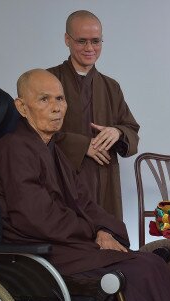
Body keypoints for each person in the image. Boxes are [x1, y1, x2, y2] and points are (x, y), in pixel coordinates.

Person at [0, 69, 170, 301]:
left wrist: (104, 228)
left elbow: (83, 201)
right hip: (37, 251)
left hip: (65, 243)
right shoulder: (13, 149)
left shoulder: (50, 148)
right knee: (142, 271)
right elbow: (34, 216)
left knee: (151, 264)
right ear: (21, 107)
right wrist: (92, 234)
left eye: (60, 99)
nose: (57, 108)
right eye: (44, 100)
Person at [48, 10, 139, 220]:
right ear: (67, 40)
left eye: (96, 41)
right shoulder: (48, 80)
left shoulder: (111, 86)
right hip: (62, 177)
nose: (90, 48)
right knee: (72, 243)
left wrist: (118, 132)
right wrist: (82, 146)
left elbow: (131, 130)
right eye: (82, 41)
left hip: (103, 179)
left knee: (109, 243)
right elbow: (33, 132)